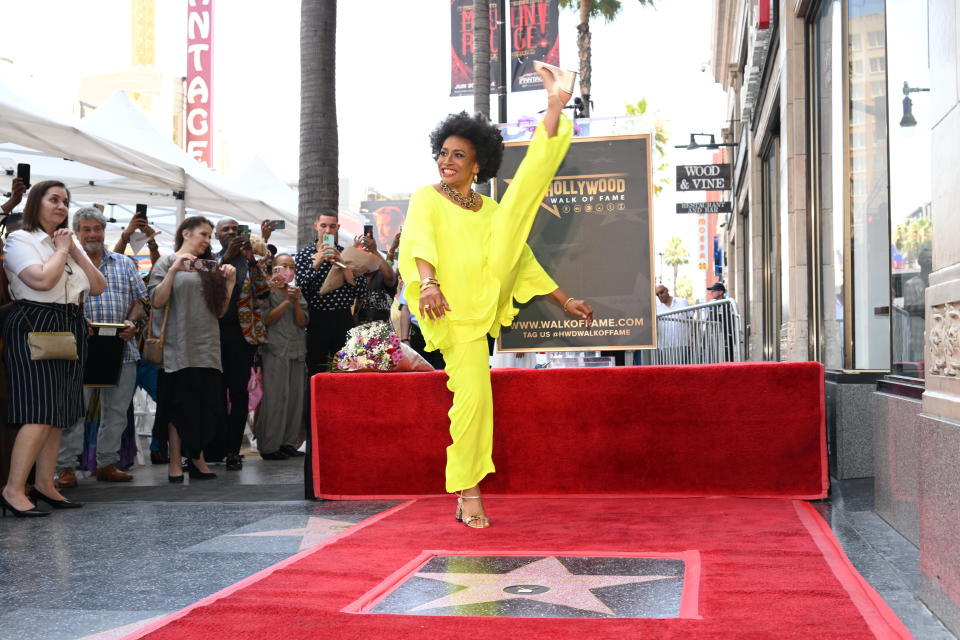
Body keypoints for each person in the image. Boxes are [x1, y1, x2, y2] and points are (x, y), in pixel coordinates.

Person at [398, 66, 593, 528]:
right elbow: (419, 241)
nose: (447, 161)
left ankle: (555, 104)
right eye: (443, 153)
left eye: (458, 155)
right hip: (453, 312)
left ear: (477, 162)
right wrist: (428, 283)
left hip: (487, 290)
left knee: (519, 203)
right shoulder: (427, 197)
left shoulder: (488, 209)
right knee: (473, 400)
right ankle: (468, 489)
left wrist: (565, 301)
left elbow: (522, 261)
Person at [1, 181, 106, 517]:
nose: (62, 206)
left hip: (69, 324)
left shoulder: (66, 244)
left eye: (65, 201)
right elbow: (42, 280)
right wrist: (61, 250)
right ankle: (14, 488)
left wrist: (73, 249)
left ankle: (46, 484)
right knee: (37, 411)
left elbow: (97, 287)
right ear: (36, 203)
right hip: (35, 323)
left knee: (57, 414)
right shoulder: (21, 239)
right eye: (54, 200)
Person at [56, 208, 148, 486]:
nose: (93, 234)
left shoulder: (124, 263)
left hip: (123, 349)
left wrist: (132, 323)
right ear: (76, 232)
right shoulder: (66, 263)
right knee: (75, 411)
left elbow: (140, 302)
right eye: (86, 229)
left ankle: (107, 463)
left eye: (97, 228)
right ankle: (66, 467)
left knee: (117, 412)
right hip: (79, 349)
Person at [148, 216, 236, 483]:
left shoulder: (209, 267)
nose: (207, 240)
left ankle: (197, 458)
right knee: (178, 408)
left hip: (207, 347)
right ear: (186, 233)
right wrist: (174, 269)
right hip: (177, 346)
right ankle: (176, 461)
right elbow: (157, 301)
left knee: (205, 407)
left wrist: (229, 283)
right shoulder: (165, 262)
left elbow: (219, 311)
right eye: (203, 234)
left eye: (210, 236)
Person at [213, 218, 270, 471]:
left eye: (235, 229)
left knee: (238, 394)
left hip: (242, 336)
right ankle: (215, 447)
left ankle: (233, 450)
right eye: (225, 230)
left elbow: (264, 292)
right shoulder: (212, 258)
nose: (231, 232)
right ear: (217, 235)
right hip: (213, 334)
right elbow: (211, 287)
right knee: (214, 393)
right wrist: (227, 256)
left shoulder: (248, 261)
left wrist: (250, 260)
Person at [294, 211, 367, 375]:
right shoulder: (304, 255)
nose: (327, 231)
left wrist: (341, 263)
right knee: (314, 370)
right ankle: (313, 401)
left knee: (346, 369)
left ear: (338, 228)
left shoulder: (348, 254)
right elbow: (302, 289)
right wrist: (317, 262)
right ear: (316, 227)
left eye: (332, 226)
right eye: (323, 226)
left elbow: (360, 290)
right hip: (315, 319)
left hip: (343, 318)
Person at [254, 254, 308, 460]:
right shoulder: (268, 291)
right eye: (283, 266)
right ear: (274, 268)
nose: (288, 270)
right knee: (276, 397)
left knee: (295, 398)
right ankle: (269, 445)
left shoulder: (297, 292)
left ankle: (288, 442)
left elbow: (302, 322)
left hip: (297, 348)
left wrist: (294, 302)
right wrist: (287, 302)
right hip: (275, 348)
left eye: (291, 266)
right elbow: (267, 319)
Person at [398, 283, 445, 370]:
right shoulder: (409, 276)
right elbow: (405, 307)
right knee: (420, 372)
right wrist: (405, 339)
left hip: (443, 329)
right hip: (418, 331)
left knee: (443, 370)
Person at [355, 232, 397, 324]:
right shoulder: (354, 277)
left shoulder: (382, 275)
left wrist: (374, 250)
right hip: (356, 332)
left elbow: (390, 277)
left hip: (382, 333)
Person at [655, 284, 691, 363]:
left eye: (661, 292)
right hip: (665, 345)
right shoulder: (656, 308)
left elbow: (691, 321)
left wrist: (692, 337)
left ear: (667, 290)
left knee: (683, 369)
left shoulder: (682, 302)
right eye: (657, 294)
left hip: (683, 343)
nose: (660, 295)